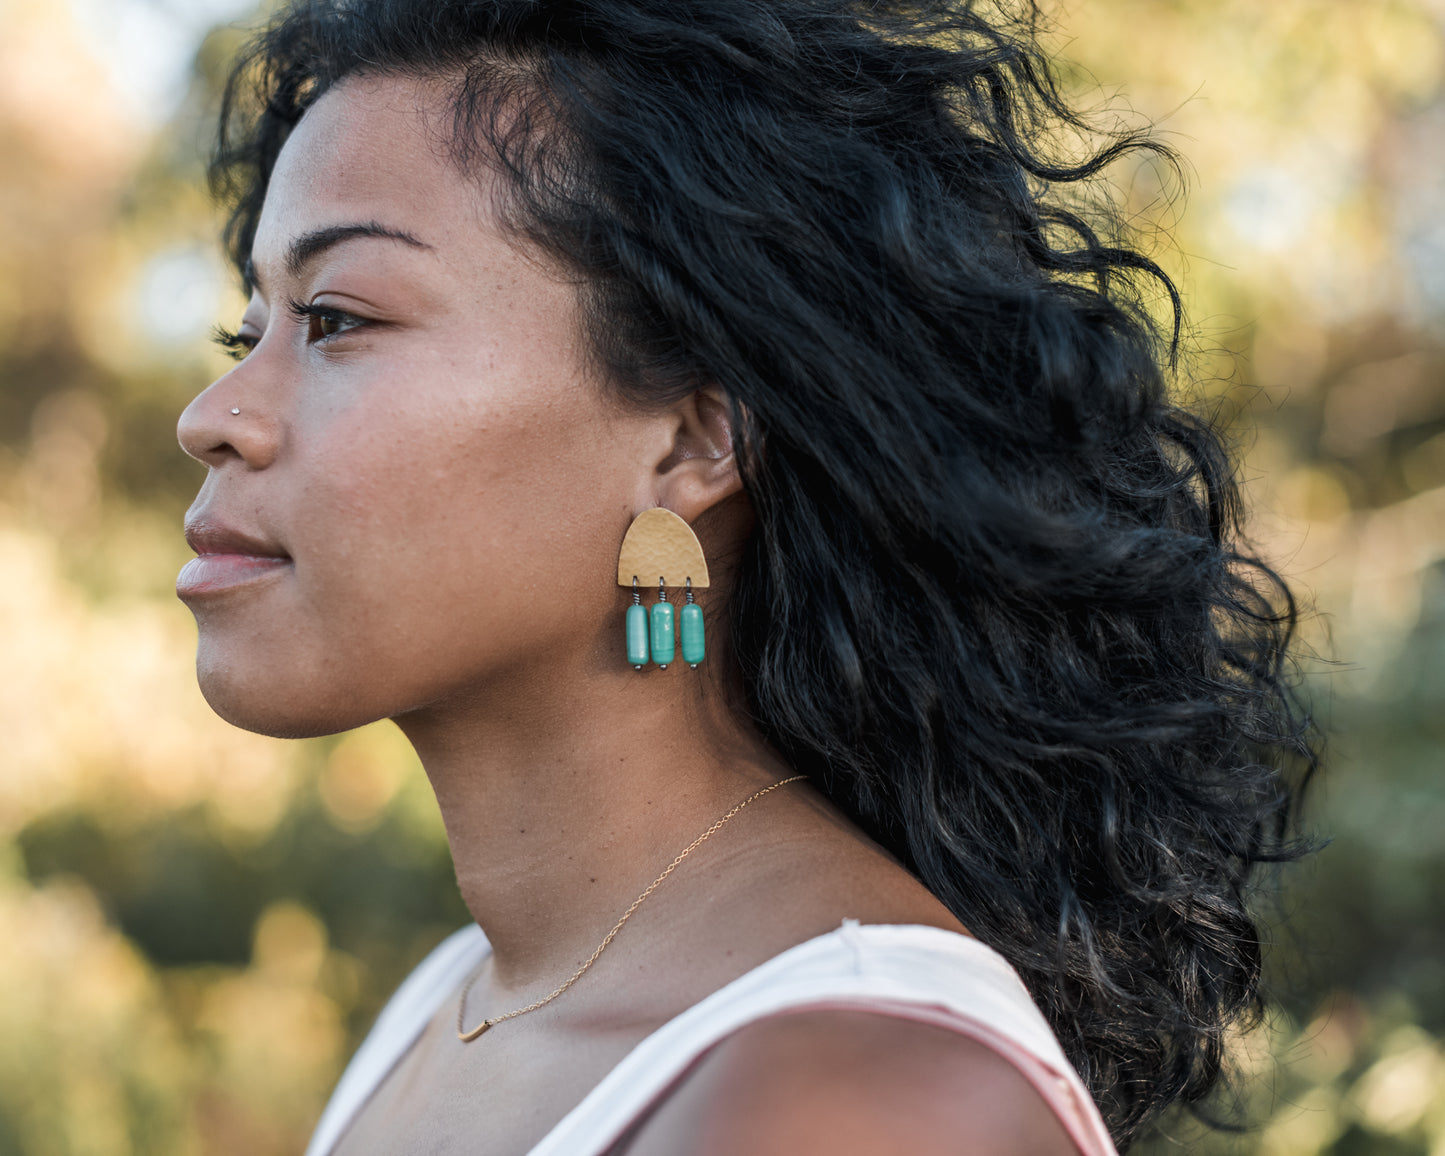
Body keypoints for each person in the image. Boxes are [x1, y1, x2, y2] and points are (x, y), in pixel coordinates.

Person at [175, 0, 1315, 1152]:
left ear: (689, 443)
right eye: (247, 332)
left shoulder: (856, 1101)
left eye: (334, 318)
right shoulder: (452, 1003)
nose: (212, 418)